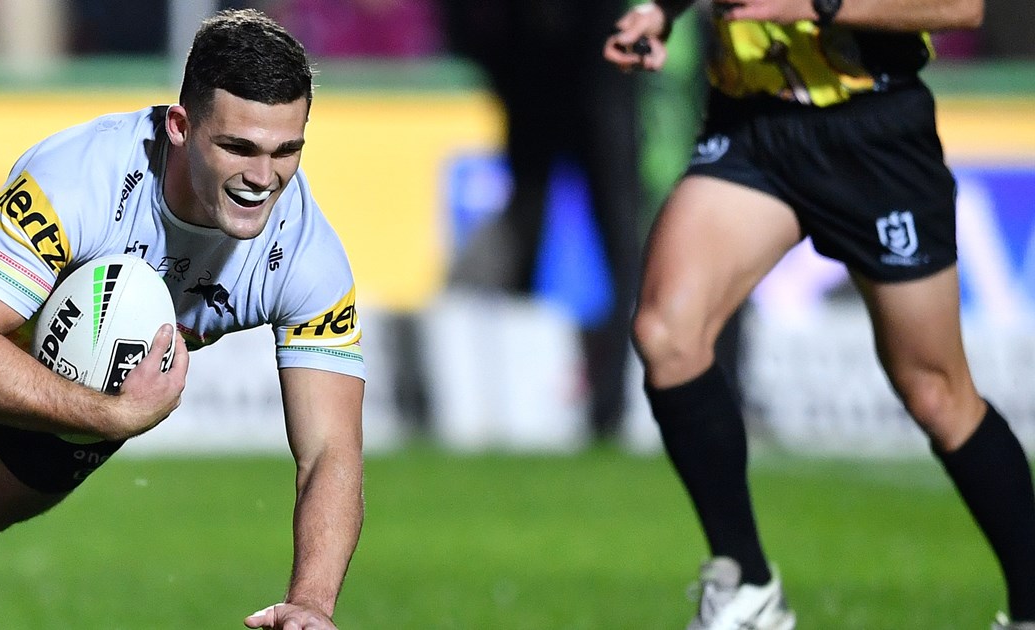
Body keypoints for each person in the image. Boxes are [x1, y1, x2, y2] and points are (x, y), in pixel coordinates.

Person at [0, 10, 364, 629]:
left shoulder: (310, 259)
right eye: (237, 148)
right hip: (7, 304)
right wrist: (116, 415)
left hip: (105, 360)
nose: (261, 179)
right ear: (180, 127)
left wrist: (311, 604)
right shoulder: (82, 176)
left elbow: (330, 450)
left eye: (286, 152)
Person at [605, 1, 1035, 628]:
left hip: (873, 132)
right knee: (667, 333)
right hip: (754, 126)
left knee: (937, 395)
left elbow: (962, 6)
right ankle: (747, 587)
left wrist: (816, 4)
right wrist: (661, 12)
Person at [440, 0, 645, 443]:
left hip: (594, 84)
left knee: (619, 248)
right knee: (530, 242)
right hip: (545, 85)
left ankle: (611, 404)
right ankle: (518, 404)